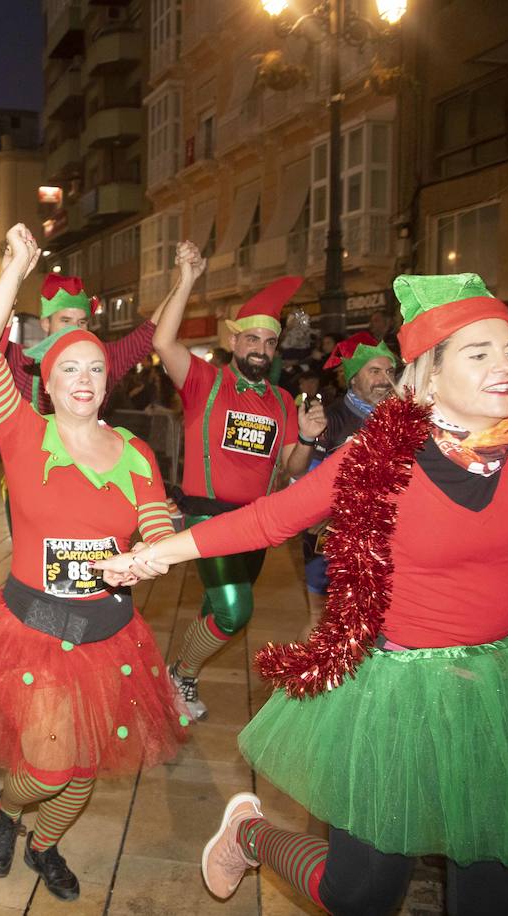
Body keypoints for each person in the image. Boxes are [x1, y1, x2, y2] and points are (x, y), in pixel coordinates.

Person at [99, 272, 508, 916]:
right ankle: (250, 832)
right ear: (429, 373)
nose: (504, 367)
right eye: (477, 354)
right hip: (395, 690)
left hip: (500, 691)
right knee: (361, 894)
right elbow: (270, 517)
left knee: (499, 898)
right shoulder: (378, 457)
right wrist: (156, 553)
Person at [0, 224, 188, 902]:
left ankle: (44, 843)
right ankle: (5, 809)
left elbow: (152, 522)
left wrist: (148, 557)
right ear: (49, 384)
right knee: (47, 769)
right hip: (34, 629)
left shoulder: (136, 453)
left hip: (108, 635)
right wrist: (16, 269)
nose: (84, 380)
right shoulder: (24, 433)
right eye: (69, 369)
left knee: (82, 772)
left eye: (95, 368)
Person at [152, 246, 325, 721]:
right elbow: (164, 342)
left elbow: (292, 466)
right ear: (235, 343)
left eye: (269, 344)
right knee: (234, 612)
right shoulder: (204, 381)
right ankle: (181, 674)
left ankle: (179, 676)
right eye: (252, 340)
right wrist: (186, 278)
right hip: (208, 519)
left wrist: (308, 437)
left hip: (257, 524)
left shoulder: (284, 400)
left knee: (216, 606)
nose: (261, 351)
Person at [0, 225, 161, 413]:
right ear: (45, 323)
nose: (74, 329)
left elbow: (150, 334)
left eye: (82, 322)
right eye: (65, 320)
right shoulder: (21, 364)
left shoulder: (104, 358)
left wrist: (185, 281)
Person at [296, 332, 397, 629]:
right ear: (353, 379)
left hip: (387, 536)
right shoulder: (331, 419)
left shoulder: (401, 419)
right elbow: (308, 482)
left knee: (381, 620)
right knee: (323, 618)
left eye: (390, 371)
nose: (384, 379)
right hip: (330, 536)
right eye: (374, 371)